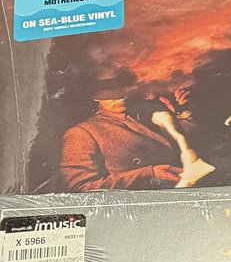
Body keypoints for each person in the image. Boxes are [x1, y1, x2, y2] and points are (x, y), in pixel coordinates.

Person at [60, 73, 211, 190]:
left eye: (122, 92)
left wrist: (183, 110)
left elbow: (180, 138)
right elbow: (80, 187)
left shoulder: (141, 114)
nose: (120, 98)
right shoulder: (82, 132)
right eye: (110, 95)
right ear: (95, 99)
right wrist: (149, 173)